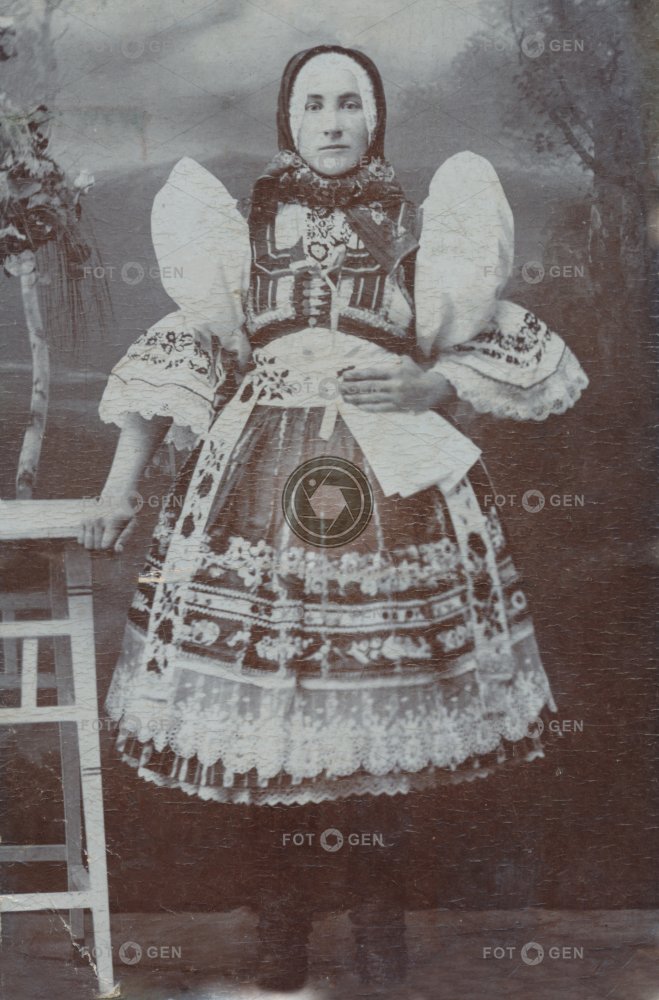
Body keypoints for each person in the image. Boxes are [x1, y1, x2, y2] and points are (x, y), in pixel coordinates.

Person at [81, 44, 588, 992]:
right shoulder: (244, 229)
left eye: (349, 102)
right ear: (289, 118)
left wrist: (431, 383)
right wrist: (119, 490)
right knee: (268, 714)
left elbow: (483, 339)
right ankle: (281, 936)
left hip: (392, 491)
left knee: (375, 718)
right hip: (253, 491)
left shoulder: (417, 225)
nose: (332, 121)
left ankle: (377, 934)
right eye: (313, 103)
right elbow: (179, 358)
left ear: (375, 117)